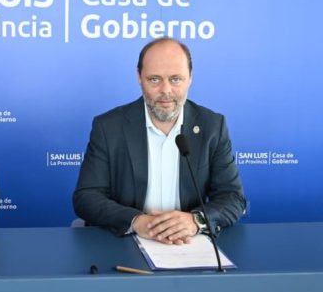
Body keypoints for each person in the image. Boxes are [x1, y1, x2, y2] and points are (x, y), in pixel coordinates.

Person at [73, 37, 245, 245]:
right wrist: (137, 221)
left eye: (176, 79)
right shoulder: (108, 127)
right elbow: (87, 197)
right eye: (154, 79)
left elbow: (233, 197)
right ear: (139, 77)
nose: (166, 90)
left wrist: (195, 220)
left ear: (190, 78)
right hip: (126, 243)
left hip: (189, 244)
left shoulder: (212, 126)